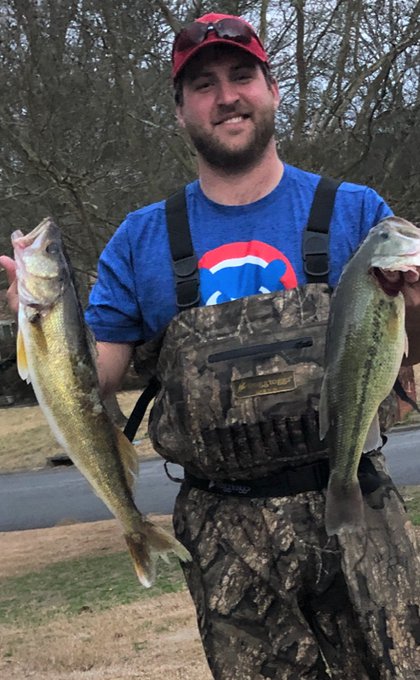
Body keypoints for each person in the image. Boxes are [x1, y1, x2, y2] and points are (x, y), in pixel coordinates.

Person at [2, 12, 420, 680]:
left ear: (273, 89)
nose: (226, 94)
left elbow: (407, 350)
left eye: (241, 74)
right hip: (227, 537)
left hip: (358, 516)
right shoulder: (141, 240)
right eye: (203, 83)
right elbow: (95, 377)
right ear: (180, 111)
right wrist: (33, 318)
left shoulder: (359, 214)